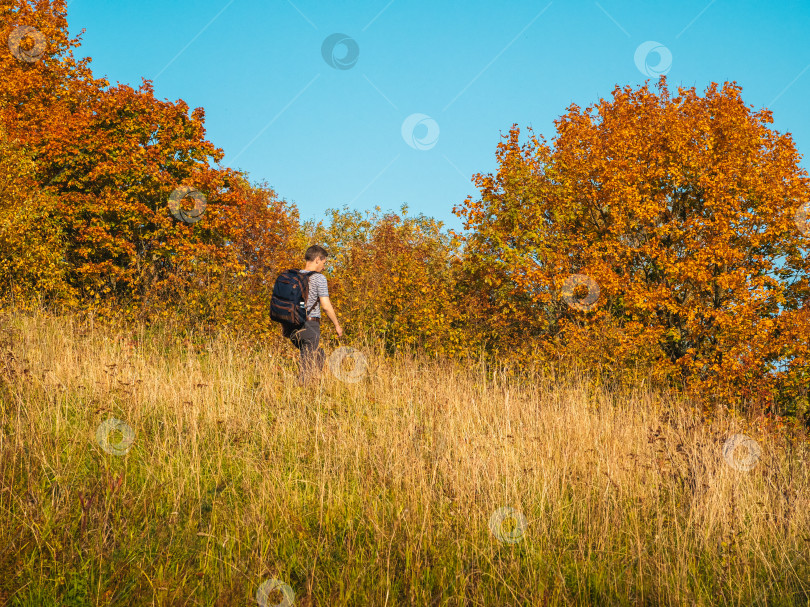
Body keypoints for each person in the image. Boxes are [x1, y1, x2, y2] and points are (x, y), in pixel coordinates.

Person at [281, 245, 343, 385]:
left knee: (318, 354)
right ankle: (302, 396)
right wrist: (337, 325)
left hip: (291, 327)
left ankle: (314, 385)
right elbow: (326, 306)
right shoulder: (319, 278)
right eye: (323, 262)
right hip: (309, 325)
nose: (323, 266)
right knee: (307, 367)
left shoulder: (293, 276)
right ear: (317, 259)